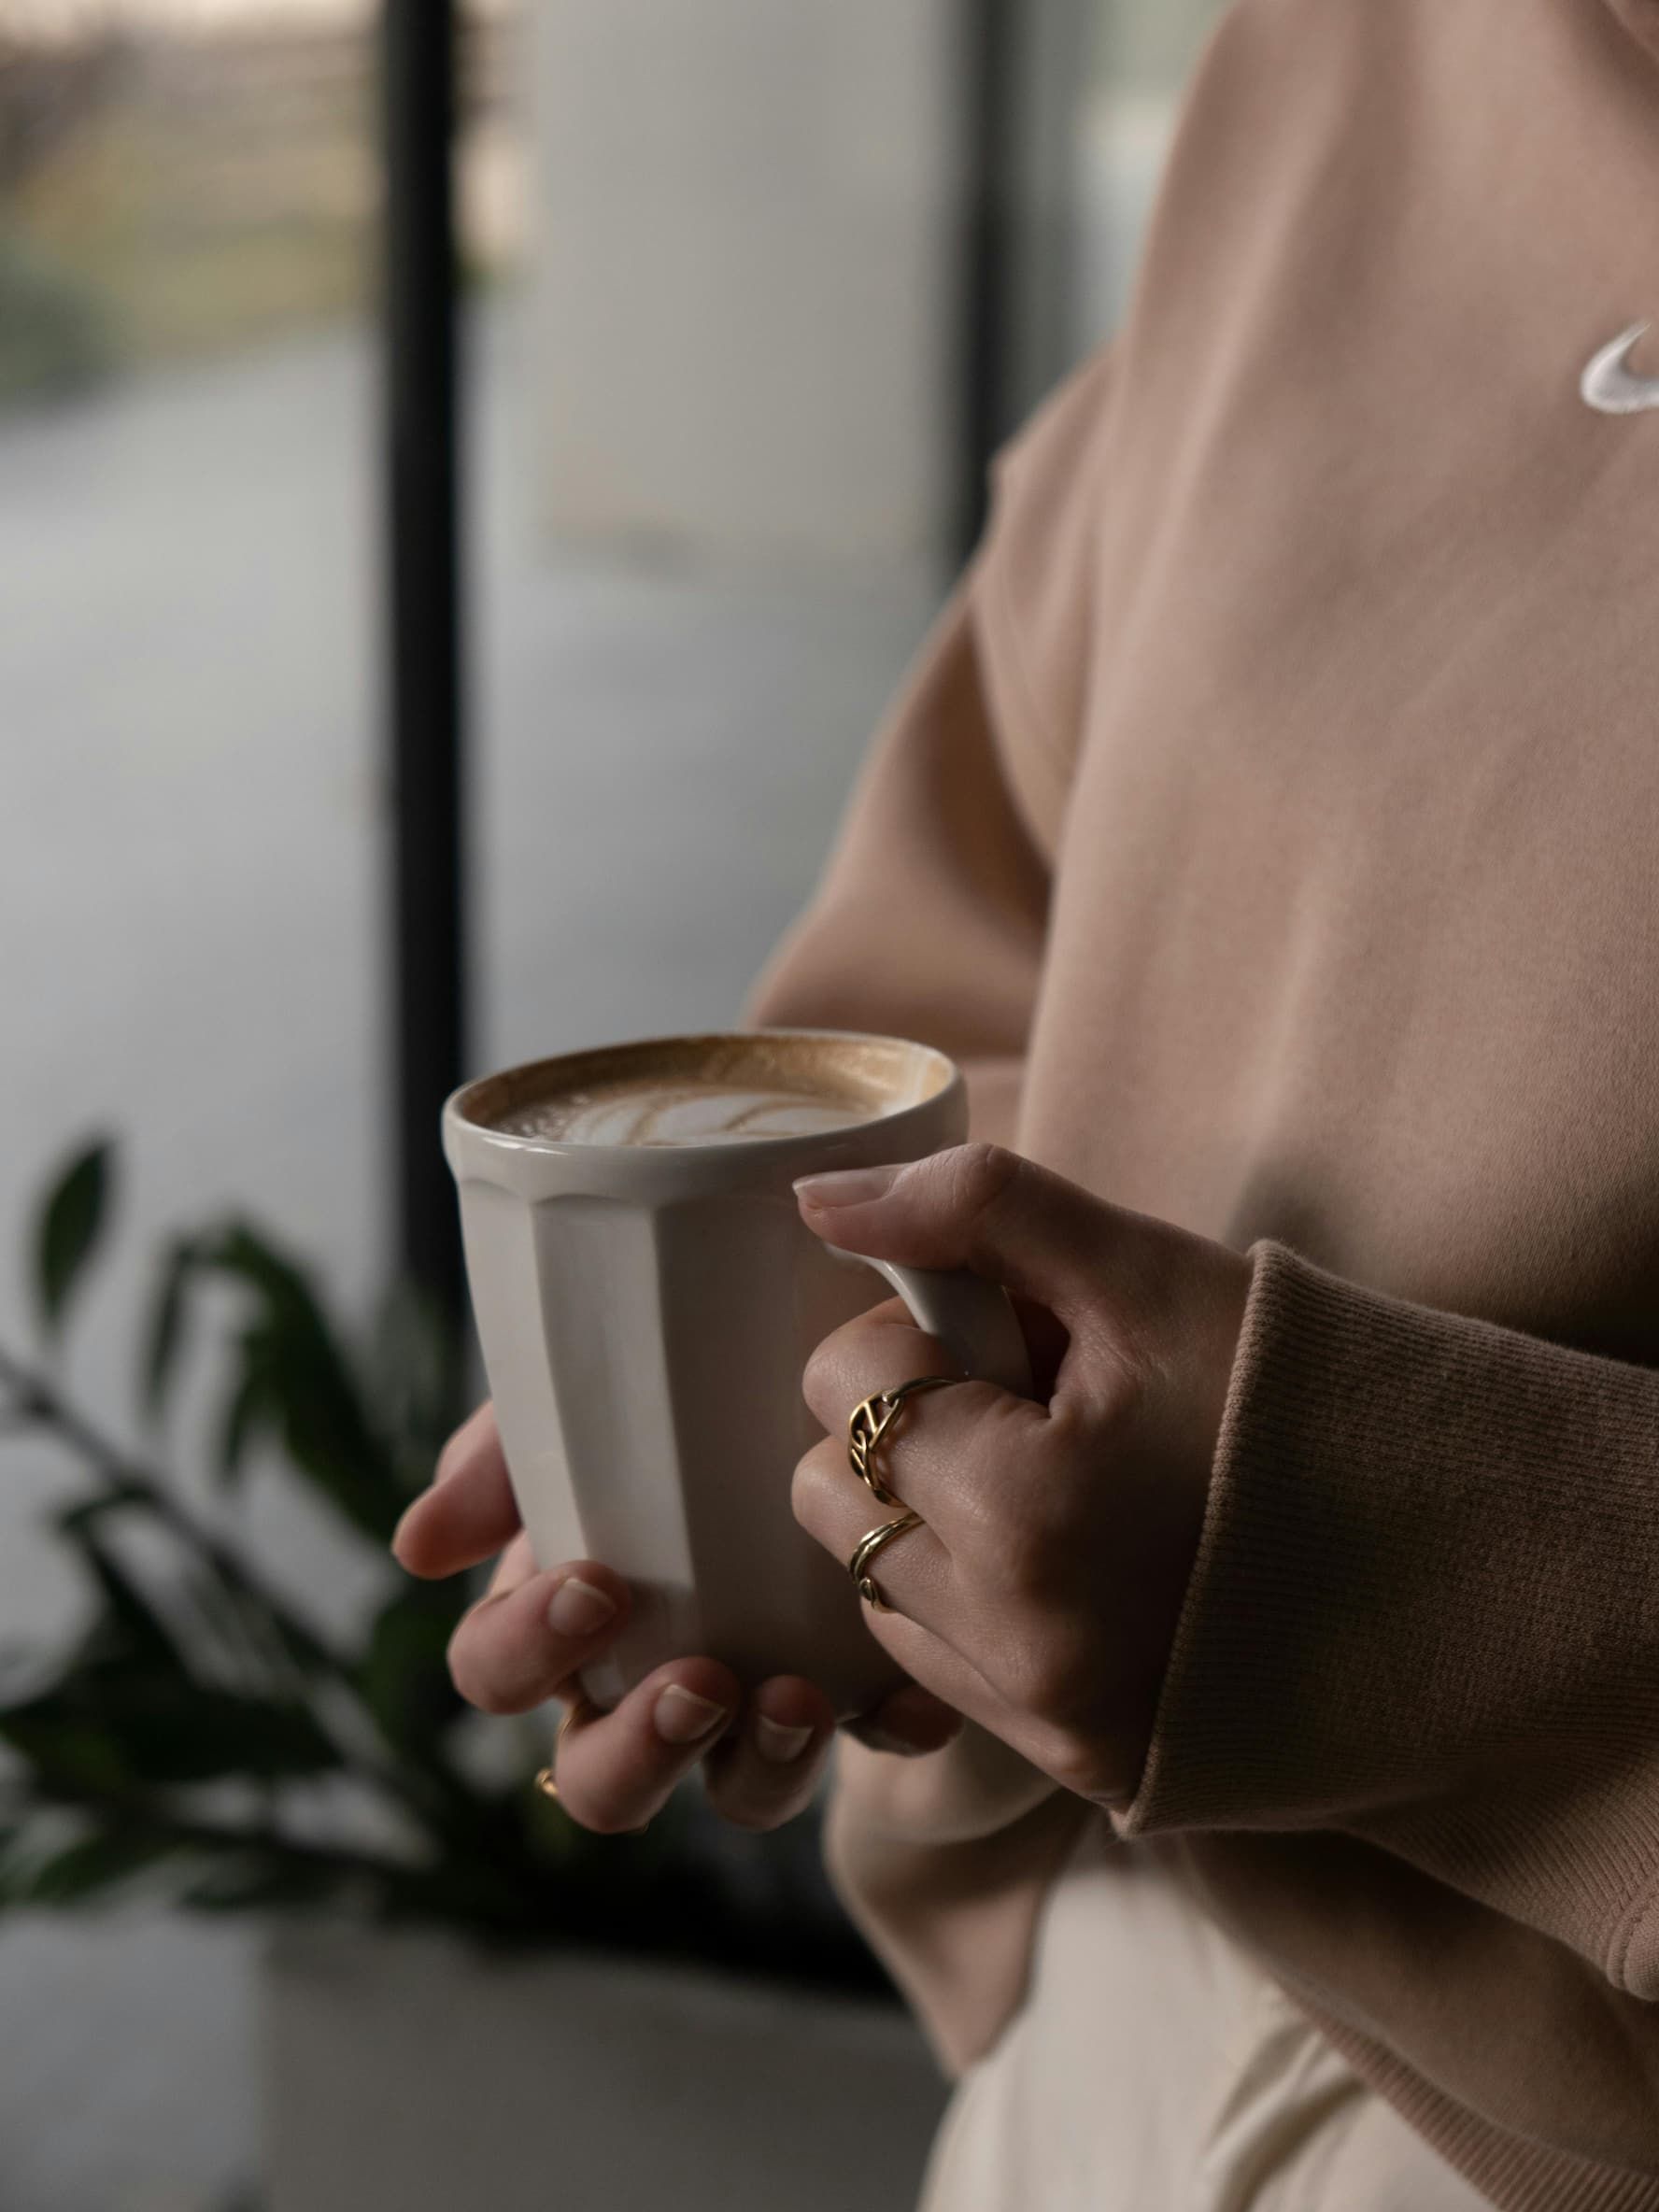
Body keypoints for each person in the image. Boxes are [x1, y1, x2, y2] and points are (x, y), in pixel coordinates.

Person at [392, 1, 1659, 2203]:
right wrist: (801, 1443)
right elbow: (996, 949)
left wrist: (1408, 1584)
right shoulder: (1351, 55)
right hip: (1106, 2021)